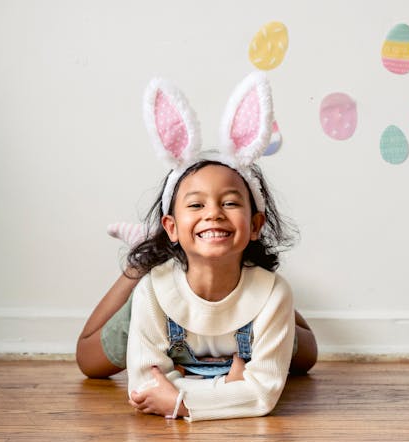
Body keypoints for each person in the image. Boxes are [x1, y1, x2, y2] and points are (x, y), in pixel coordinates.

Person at [76, 72, 317, 421]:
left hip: (245, 295)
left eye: (230, 203)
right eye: (196, 205)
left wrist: (182, 399)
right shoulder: (152, 293)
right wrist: (230, 390)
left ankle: (243, 274)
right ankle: (148, 250)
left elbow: (264, 393)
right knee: (90, 362)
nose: (214, 213)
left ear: (255, 225)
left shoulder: (274, 294)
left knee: (306, 356)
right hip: (172, 299)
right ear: (171, 226)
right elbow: (145, 388)